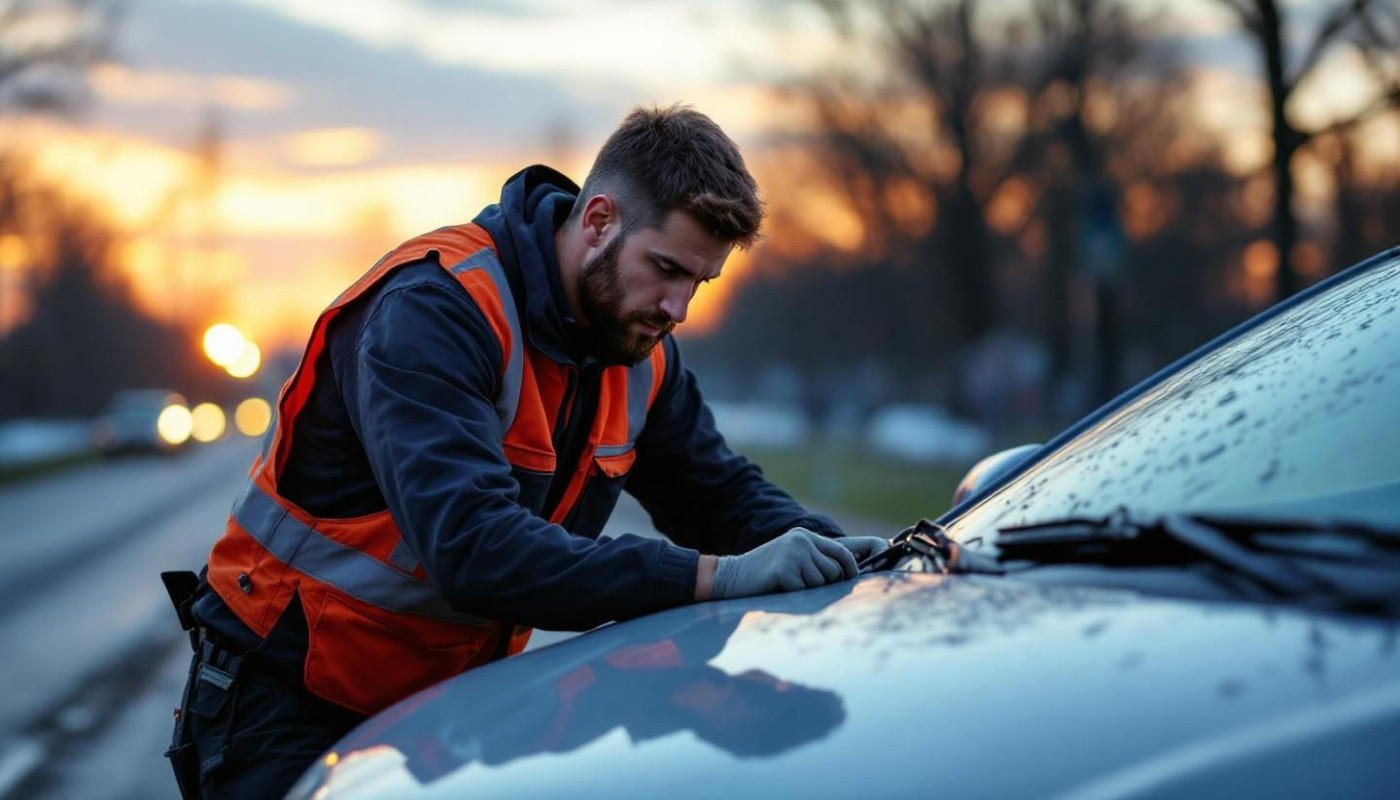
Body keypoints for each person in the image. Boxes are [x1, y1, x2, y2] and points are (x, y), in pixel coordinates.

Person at [162, 104, 889, 799]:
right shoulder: (434, 309)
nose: (678, 309)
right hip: (284, 705)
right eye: (665, 267)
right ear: (599, 220)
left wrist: (848, 565)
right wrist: (716, 579)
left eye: (699, 282)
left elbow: (720, 495)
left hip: (439, 711)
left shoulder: (637, 349)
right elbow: (473, 548)